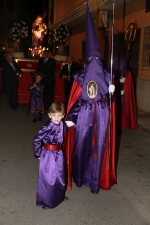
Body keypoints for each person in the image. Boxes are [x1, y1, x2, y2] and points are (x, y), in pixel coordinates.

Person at [64, 2, 116, 193]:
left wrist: (111, 93)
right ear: (86, 60)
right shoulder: (79, 76)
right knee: (81, 145)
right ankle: (79, 176)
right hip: (84, 115)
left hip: (101, 114)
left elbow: (111, 104)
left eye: (97, 60)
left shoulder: (108, 76)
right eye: (90, 60)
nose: (94, 63)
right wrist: (70, 118)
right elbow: (75, 100)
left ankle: (95, 180)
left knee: (99, 147)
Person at [34, 102, 68, 209]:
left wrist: (68, 125)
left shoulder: (61, 123)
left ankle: (59, 196)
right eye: (54, 115)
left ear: (63, 115)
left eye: (59, 115)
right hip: (49, 154)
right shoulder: (48, 126)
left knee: (60, 175)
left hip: (59, 153)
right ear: (49, 115)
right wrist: (38, 153)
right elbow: (36, 139)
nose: (56, 118)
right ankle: (44, 201)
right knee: (48, 178)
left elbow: (62, 130)